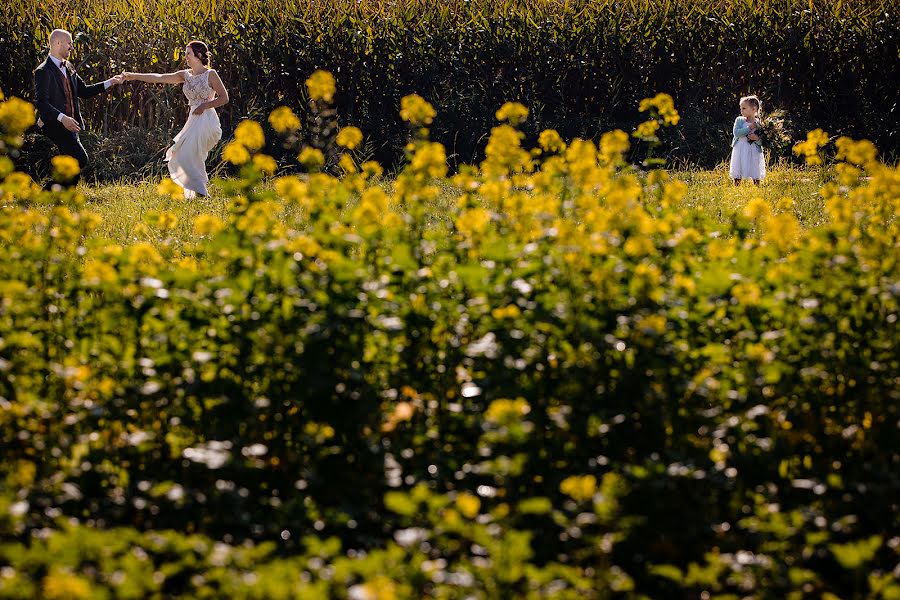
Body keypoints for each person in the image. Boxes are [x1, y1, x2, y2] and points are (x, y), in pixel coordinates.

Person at [125, 41, 228, 198]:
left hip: (207, 119)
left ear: (199, 55)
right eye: (185, 53)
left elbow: (224, 98)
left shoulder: (211, 74)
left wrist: (205, 106)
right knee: (185, 154)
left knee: (188, 154)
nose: (185, 57)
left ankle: (201, 192)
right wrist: (135, 76)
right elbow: (159, 77)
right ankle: (198, 192)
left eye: (189, 53)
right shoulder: (184, 75)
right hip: (193, 118)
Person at [33, 29, 125, 186]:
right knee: (81, 160)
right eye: (69, 43)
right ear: (57, 43)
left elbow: (84, 91)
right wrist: (63, 118)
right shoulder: (43, 71)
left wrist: (110, 82)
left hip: (72, 125)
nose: (71, 47)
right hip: (55, 124)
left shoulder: (69, 66)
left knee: (73, 164)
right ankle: (51, 192)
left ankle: (59, 196)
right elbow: (42, 103)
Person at [729, 95, 766, 186]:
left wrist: (756, 138)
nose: (742, 111)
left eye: (744, 108)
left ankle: (756, 184)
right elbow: (737, 133)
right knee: (738, 165)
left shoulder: (759, 123)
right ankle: (736, 184)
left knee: (754, 166)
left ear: (753, 109)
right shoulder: (739, 120)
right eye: (741, 108)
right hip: (740, 148)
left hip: (753, 150)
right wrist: (749, 128)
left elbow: (763, 140)